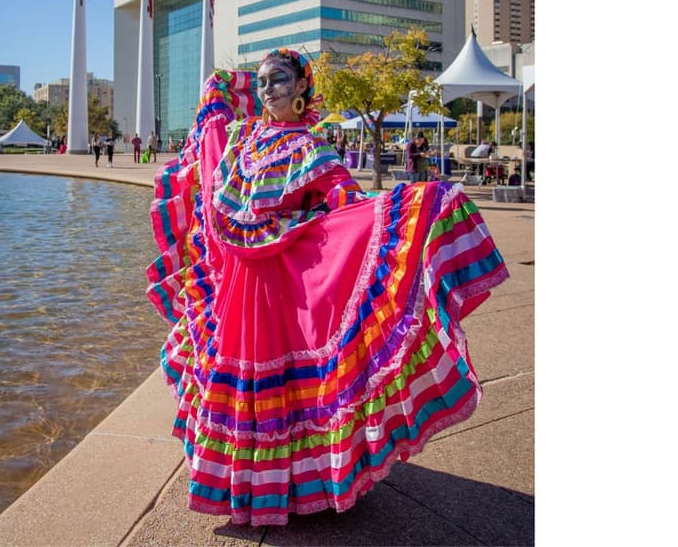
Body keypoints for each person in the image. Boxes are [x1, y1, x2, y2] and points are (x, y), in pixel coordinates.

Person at [145, 48, 509, 526]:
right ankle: (252, 486)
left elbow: (345, 205)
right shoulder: (246, 140)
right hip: (241, 288)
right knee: (245, 391)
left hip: (282, 290)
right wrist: (223, 88)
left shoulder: (312, 147)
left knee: (291, 395)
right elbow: (214, 151)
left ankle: (293, 488)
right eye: (261, 82)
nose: (267, 89)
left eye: (278, 80)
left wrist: (415, 208)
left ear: (301, 87)